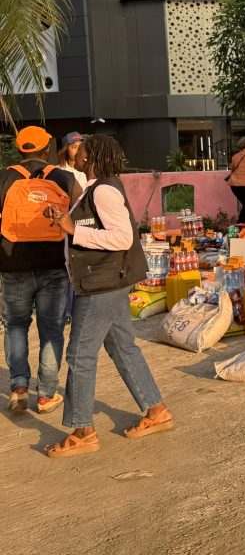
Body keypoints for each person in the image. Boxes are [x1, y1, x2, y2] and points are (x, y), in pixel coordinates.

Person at [42, 135, 173, 457]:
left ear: (92, 157)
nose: (76, 152)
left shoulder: (104, 191)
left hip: (101, 285)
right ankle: (156, 411)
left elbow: (122, 238)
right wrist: (64, 222)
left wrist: (74, 230)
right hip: (104, 281)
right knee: (122, 347)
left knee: (80, 355)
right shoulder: (97, 188)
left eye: (82, 149)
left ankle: (82, 431)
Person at [0, 126, 74, 414]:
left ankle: (19, 388)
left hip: (13, 264)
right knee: (51, 329)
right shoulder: (63, 177)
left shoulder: (4, 177)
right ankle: (45, 395)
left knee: (15, 325)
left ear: (20, 149)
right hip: (53, 264)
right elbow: (81, 215)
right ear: (46, 149)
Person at [57, 131, 86, 200]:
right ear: (66, 150)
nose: (78, 150)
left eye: (80, 147)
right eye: (74, 147)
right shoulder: (57, 171)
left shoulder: (89, 170)